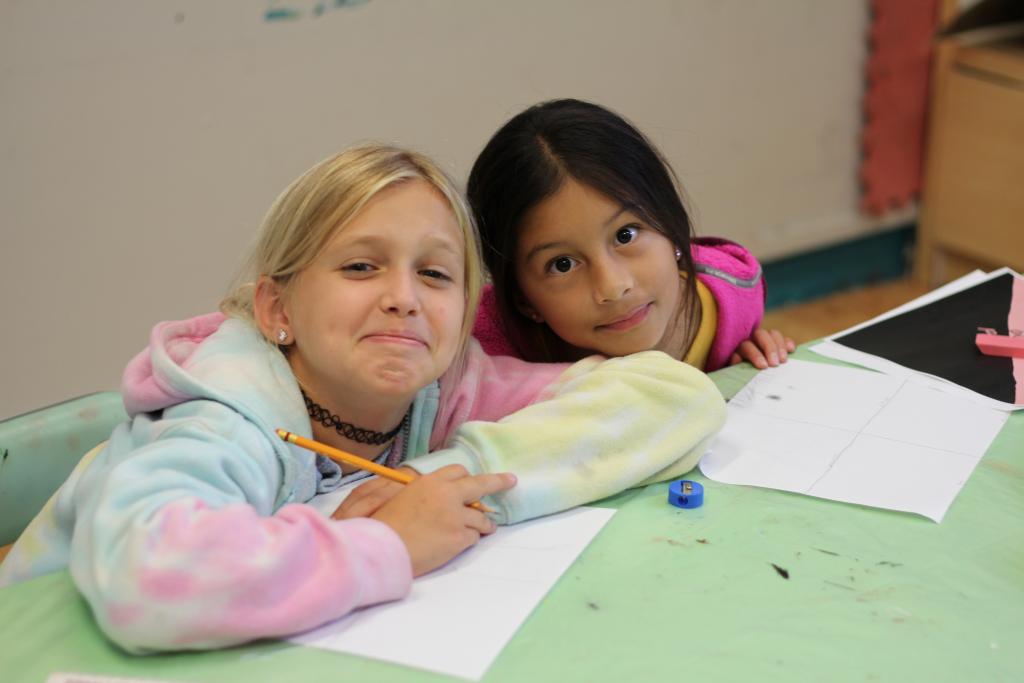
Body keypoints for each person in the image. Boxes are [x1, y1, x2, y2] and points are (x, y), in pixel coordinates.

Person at [0, 145, 725, 653]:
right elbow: (144, 576)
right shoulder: (222, 419)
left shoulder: (441, 389)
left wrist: (438, 483)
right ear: (277, 306)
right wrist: (389, 541)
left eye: (436, 274)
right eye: (360, 266)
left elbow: (671, 396)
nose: (404, 299)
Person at [468, 98, 795, 370]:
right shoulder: (481, 355)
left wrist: (753, 359)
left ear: (670, 224)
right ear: (522, 300)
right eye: (563, 264)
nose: (613, 286)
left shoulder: (731, 299)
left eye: (625, 235)